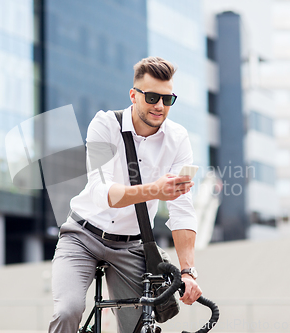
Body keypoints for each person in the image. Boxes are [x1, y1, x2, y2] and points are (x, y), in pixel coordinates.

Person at [49, 56, 202, 333]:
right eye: (152, 97)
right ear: (134, 95)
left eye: (167, 99)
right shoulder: (105, 125)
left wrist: (188, 271)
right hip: (83, 235)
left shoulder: (178, 139)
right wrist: (154, 190)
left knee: (139, 328)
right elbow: (100, 191)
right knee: (67, 310)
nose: (159, 106)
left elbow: (182, 210)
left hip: (132, 245)